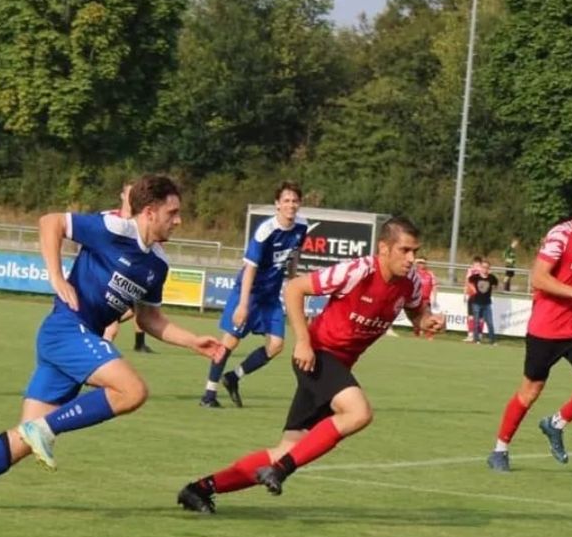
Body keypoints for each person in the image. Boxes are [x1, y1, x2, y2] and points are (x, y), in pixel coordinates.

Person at [0, 174, 224, 511]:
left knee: (24, 438)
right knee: (132, 391)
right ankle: (46, 429)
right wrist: (55, 275)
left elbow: (149, 319)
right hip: (66, 330)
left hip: (77, 341)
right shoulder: (112, 229)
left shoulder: (158, 264)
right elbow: (50, 222)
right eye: (173, 213)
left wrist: (191, 341)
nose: (179, 220)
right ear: (150, 212)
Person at [176, 216, 445, 513]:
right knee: (358, 412)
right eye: (405, 250)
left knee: (287, 448)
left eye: (415, 251)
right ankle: (280, 471)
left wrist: (427, 320)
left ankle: (199, 489)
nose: (411, 258)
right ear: (384, 248)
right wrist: (302, 341)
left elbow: (418, 312)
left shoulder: (412, 282)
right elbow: (294, 288)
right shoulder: (357, 271)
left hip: (339, 365)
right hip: (316, 355)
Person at [486, 178, 572, 473]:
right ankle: (499, 450)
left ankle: (555, 424)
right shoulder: (561, 235)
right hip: (546, 328)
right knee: (529, 392)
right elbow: (538, 278)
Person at [200, 182, 308, 408]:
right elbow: (250, 268)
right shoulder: (266, 231)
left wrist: (293, 279)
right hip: (249, 293)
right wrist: (242, 305)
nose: (291, 205)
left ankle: (233, 377)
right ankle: (208, 395)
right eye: (286, 200)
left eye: (295, 200)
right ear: (277, 204)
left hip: (270, 297)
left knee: (276, 345)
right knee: (229, 342)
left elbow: (294, 253)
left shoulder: (301, 226)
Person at [101, 182, 154, 353]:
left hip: (129, 277)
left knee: (137, 310)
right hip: (104, 279)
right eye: (129, 194)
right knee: (111, 329)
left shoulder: (143, 224)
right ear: (122, 196)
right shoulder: (108, 219)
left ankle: (137, 343)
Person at [468, 260, 499, 344]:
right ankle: (476, 339)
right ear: (481, 268)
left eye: (487, 268)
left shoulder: (491, 277)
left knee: (490, 322)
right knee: (476, 322)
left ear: (489, 269)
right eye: (483, 267)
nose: (485, 269)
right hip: (476, 302)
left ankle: (492, 340)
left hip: (487, 303)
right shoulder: (476, 277)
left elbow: (496, 285)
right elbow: (469, 281)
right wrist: (473, 290)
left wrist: (493, 289)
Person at [414, 257, 438, 340]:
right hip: (416, 300)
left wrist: (435, 298)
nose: (421, 264)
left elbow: (434, 286)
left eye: (423, 263)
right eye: (419, 262)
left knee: (428, 317)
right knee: (416, 318)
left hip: (426, 300)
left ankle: (429, 335)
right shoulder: (414, 273)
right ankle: (417, 334)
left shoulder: (430, 274)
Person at [462, 255, 484, 342]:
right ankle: (475, 335)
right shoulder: (482, 271)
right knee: (474, 316)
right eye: (475, 264)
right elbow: (467, 283)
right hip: (473, 295)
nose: (476, 265)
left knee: (476, 316)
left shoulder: (472, 270)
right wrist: (464, 293)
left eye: (477, 264)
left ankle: (474, 335)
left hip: (477, 296)